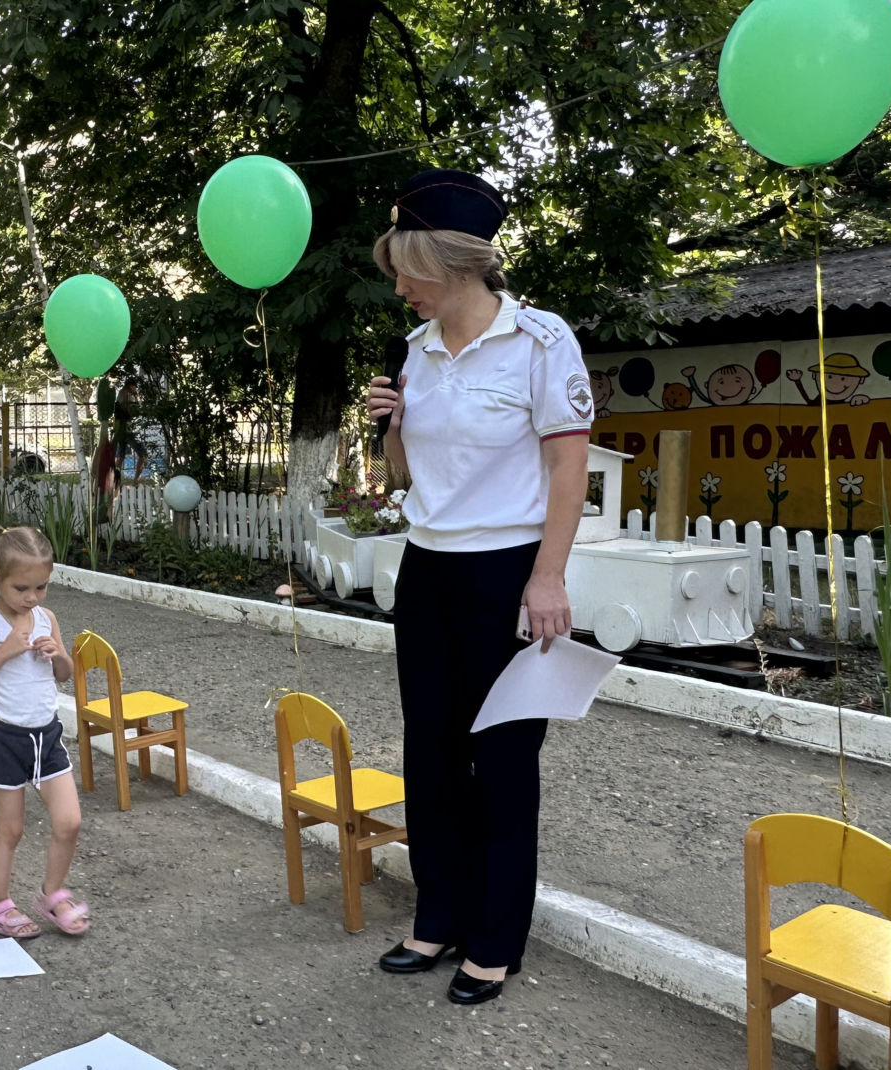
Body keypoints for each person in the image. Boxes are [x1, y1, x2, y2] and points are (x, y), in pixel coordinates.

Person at [364, 168, 591, 1005]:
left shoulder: (539, 342)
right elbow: (399, 474)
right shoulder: (415, 352)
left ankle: (494, 939)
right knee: (429, 751)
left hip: (507, 572)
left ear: (450, 265)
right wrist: (387, 427)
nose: (400, 286)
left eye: (407, 269)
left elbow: (568, 468)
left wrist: (548, 575)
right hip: (427, 566)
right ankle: (437, 916)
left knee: (500, 760)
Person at [0, 525, 88, 939]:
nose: (32, 597)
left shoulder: (46, 618)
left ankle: (52, 895)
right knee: (11, 830)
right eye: (22, 588)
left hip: (46, 737)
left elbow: (65, 675)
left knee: (69, 822)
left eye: (41, 587)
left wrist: (60, 654)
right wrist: (6, 651)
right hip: (7, 740)